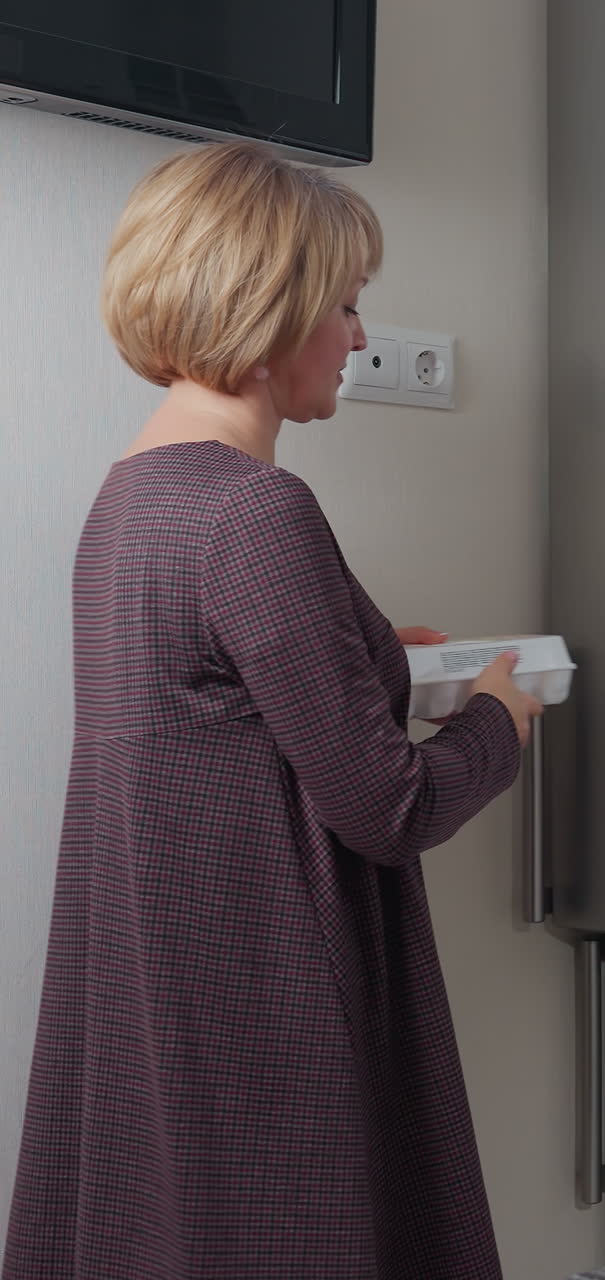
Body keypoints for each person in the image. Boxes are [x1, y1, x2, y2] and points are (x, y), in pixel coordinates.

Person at [2, 142, 542, 1280]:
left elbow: (214, 703)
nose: (358, 334)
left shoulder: (129, 500)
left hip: (166, 1001)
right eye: (345, 303)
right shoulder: (257, 511)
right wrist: (498, 719)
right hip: (268, 1009)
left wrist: (367, 656)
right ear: (271, 302)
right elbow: (385, 807)